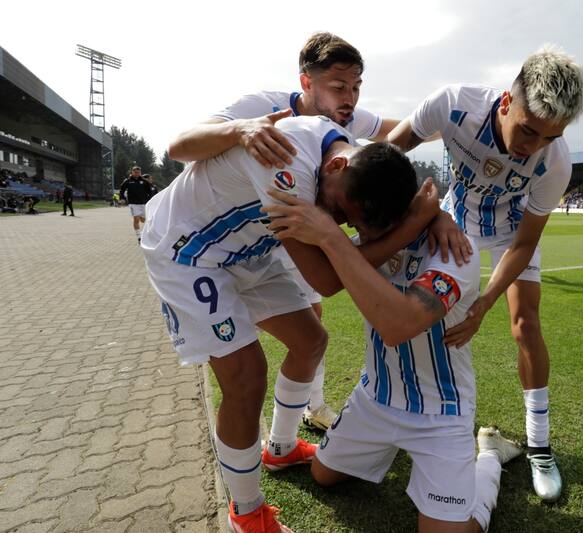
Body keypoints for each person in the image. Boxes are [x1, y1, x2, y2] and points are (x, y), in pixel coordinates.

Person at [142, 114, 438, 532]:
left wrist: (433, 216)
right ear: (337, 167)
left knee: (310, 340)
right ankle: (245, 514)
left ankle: (279, 448)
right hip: (189, 251)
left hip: (247, 249)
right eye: (338, 210)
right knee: (246, 376)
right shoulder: (289, 163)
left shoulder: (353, 156)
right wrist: (411, 227)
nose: (335, 222)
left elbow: (388, 200)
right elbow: (328, 278)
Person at [168, 31, 467, 432]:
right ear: (306, 83)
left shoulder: (343, 124)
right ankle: (285, 436)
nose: (351, 98)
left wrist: (436, 212)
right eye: (339, 86)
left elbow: (388, 158)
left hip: (265, 238)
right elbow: (178, 146)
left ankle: (294, 430)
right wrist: (239, 131)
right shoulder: (265, 112)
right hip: (207, 236)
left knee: (312, 331)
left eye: (357, 87)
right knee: (249, 367)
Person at [388, 44, 583, 502]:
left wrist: (483, 304)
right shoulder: (453, 104)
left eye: (549, 137)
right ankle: (409, 415)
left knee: (525, 325)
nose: (533, 147)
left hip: (511, 232)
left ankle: (539, 446)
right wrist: (429, 210)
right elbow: (387, 155)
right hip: (454, 219)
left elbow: (526, 243)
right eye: (529, 130)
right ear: (504, 102)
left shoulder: (555, 163)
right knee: (415, 309)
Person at [268, 189, 523, 532]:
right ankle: (385, 449)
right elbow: (325, 277)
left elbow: (397, 327)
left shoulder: (454, 252)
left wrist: (332, 236)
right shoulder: (365, 245)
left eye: (355, 222)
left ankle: (490, 456)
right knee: (323, 476)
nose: (352, 230)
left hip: (440, 411)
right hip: (375, 399)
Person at [118, 166, 152, 242]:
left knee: (144, 220)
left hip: (143, 203)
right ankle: (139, 236)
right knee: (136, 219)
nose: (137, 174)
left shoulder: (144, 181)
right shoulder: (128, 181)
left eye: (138, 172)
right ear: (132, 172)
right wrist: (122, 198)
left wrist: (151, 200)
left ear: (140, 173)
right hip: (133, 203)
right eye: (135, 172)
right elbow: (122, 190)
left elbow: (150, 191)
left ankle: (140, 218)